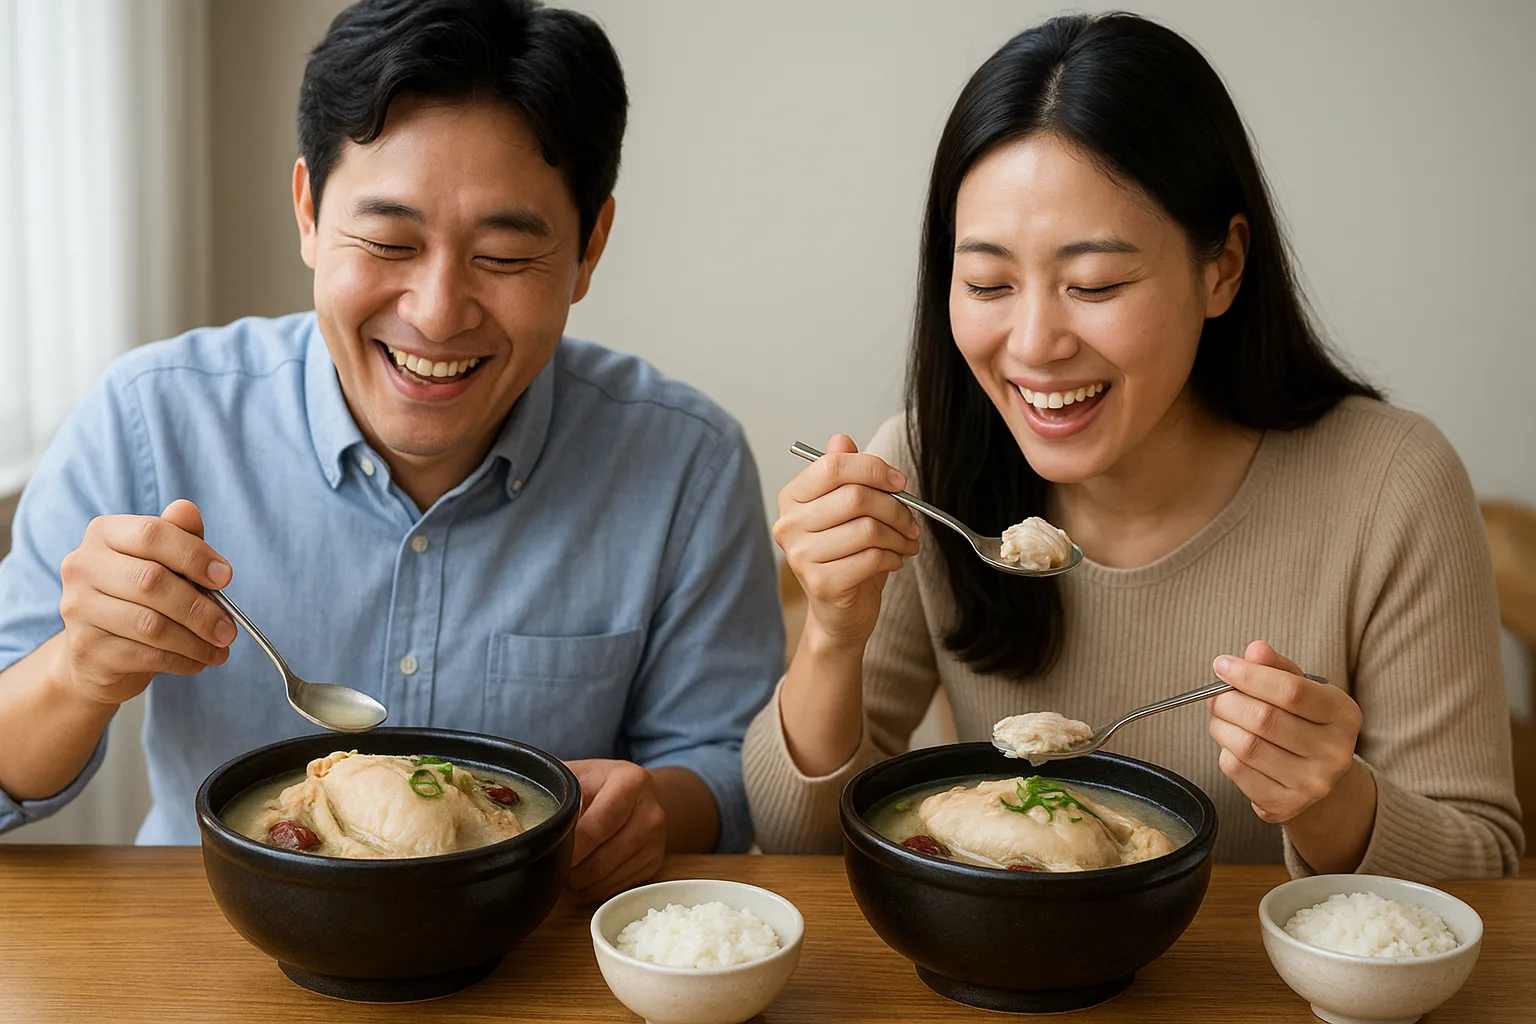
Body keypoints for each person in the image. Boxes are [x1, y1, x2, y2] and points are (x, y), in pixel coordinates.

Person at [0, 0, 782, 900]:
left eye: (503, 256)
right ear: (308, 211)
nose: (437, 313)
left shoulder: (687, 462)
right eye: (387, 242)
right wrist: (79, 669)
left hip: (541, 944)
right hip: (208, 941)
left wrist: (652, 814)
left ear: (589, 247)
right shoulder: (150, 418)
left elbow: (723, 769)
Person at [745, 11, 1522, 878]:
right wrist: (832, 637)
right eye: (988, 283)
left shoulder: (1391, 485)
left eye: (1095, 283)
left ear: (1222, 267)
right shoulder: (927, 471)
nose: (1034, 344)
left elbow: (1483, 869)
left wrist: (1329, 798)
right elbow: (794, 844)